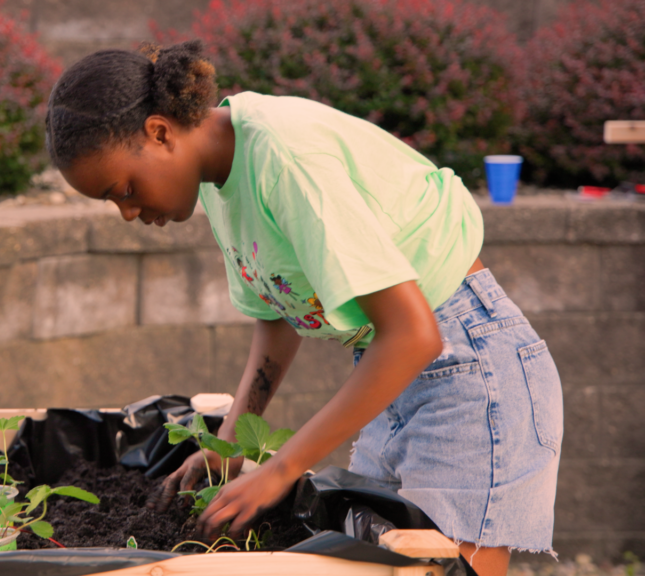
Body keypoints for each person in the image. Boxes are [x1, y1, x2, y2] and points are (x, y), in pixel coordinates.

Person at [43, 40, 562, 576]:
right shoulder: (221, 177)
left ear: (159, 132)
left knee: (442, 567)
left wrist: (281, 470)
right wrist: (229, 446)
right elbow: (278, 319)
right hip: (396, 373)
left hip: (471, 371)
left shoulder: (282, 158)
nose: (127, 211)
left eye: (123, 188)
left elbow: (413, 334)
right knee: (388, 561)